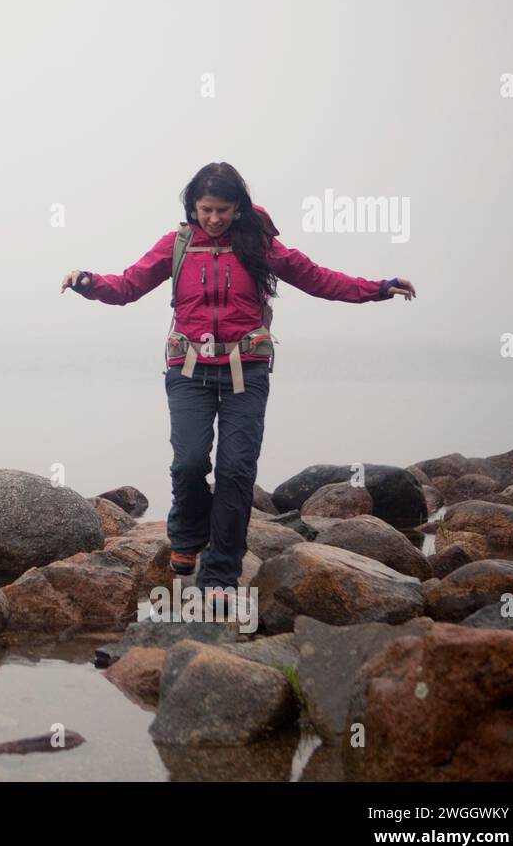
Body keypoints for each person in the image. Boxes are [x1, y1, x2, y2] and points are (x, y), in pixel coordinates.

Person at [60, 162, 416, 602]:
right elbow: (128, 286)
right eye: (206, 209)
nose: (213, 219)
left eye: (223, 210)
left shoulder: (260, 245)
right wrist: (89, 283)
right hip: (188, 371)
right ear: (193, 207)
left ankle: (221, 575)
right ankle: (187, 536)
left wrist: (378, 288)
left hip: (246, 371)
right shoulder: (178, 244)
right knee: (189, 462)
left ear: (238, 208)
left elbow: (319, 279)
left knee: (235, 472)